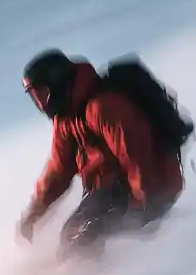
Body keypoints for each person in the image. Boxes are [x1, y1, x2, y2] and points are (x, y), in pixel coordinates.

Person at [17, 49, 186, 256]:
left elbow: (136, 157)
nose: (42, 104)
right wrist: (34, 212)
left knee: (85, 238)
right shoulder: (66, 119)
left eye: (43, 94)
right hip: (111, 191)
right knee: (71, 235)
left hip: (151, 186)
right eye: (35, 97)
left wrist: (143, 206)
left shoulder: (103, 107)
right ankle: (82, 271)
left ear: (57, 81)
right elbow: (58, 170)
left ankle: (122, 270)